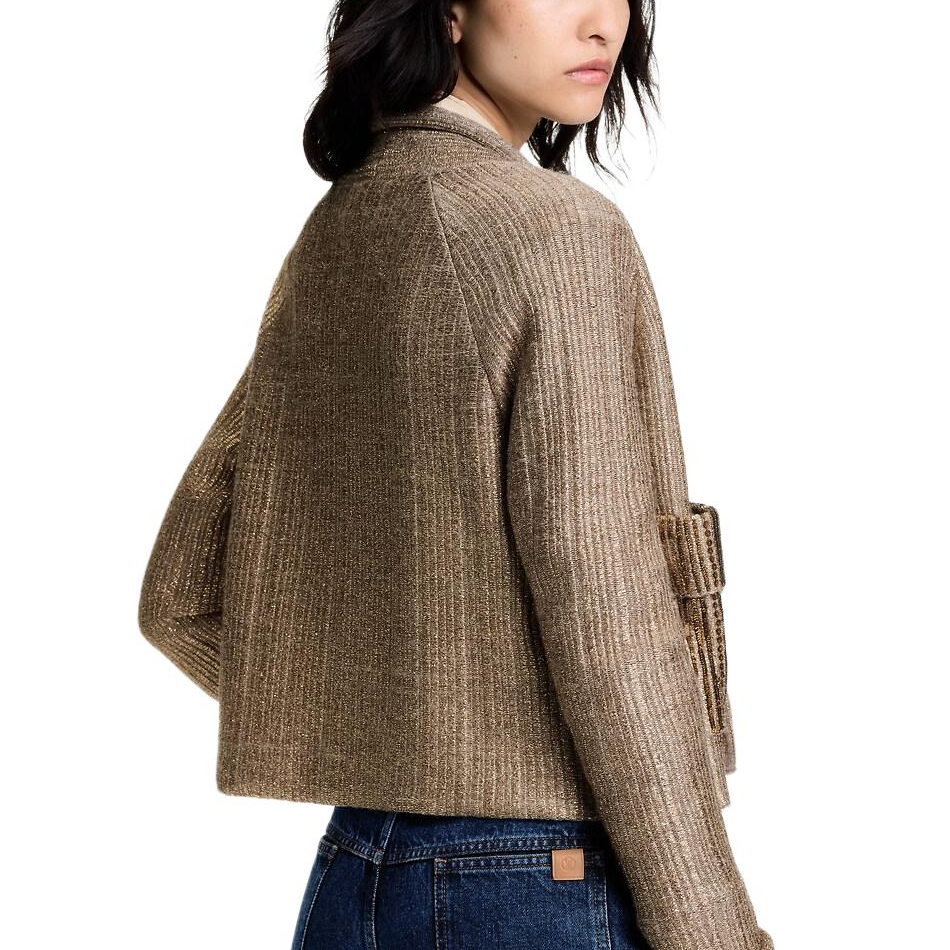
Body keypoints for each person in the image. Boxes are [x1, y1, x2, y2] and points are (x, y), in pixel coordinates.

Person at [137, 0, 774, 948]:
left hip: (357, 871)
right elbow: (610, 619)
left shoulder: (343, 228)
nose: (604, 25)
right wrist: (713, 933)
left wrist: (406, 733)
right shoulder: (556, 233)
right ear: (448, 10)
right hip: (540, 884)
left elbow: (181, 595)